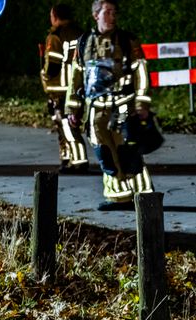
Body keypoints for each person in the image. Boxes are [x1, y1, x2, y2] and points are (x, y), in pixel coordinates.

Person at [65, 0, 154, 210]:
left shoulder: (127, 40)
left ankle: (145, 196)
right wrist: (73, 108)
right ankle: (118, 196)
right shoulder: (84, 41)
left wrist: (141, 102)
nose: (113, 16)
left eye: (115, 12)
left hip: (122, 105)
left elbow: (141, 70)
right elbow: (76, 76)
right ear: (96, 15)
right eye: (108, 12)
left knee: (127, 150)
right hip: (95, 108)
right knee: (104, 151)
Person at [41, 3, 89, 173]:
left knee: (66, 126)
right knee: (70, 124)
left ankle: (78, 161)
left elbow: (52, 65)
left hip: (60, 89)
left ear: (54, 16)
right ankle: (67, 158)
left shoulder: (55, 36)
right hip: (78, 87)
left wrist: (44, 74)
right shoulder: (81, 33)